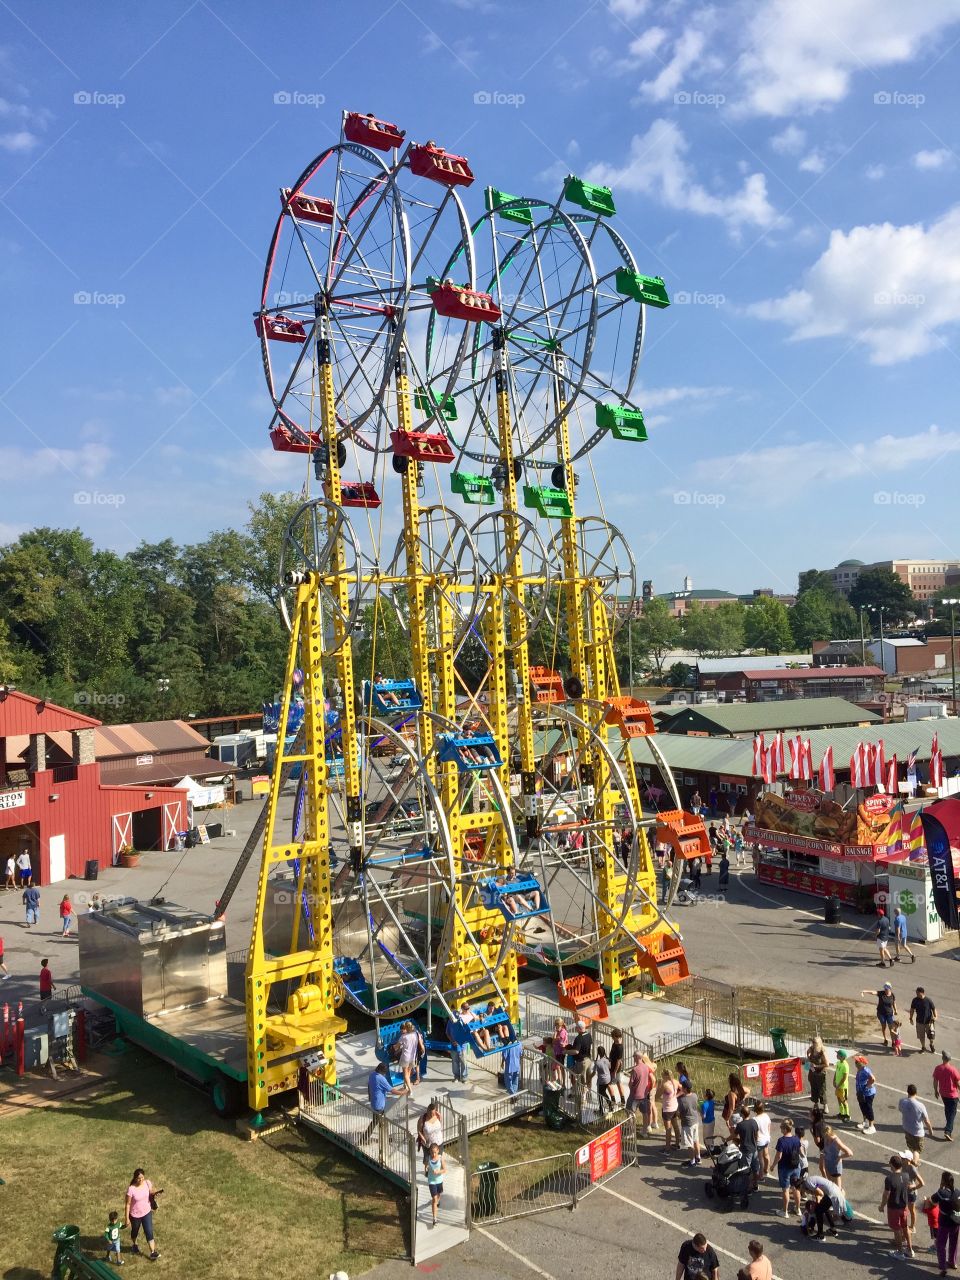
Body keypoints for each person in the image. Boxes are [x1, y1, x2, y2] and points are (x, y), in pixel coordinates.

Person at [880, 1153, 915, 1260]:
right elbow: (910, 1186)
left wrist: (882, 1206)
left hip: (893, 1207)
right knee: (905, 1227)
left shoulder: (889, 1179)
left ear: (891, 1165)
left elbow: (886, 1194)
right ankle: (910, 1250)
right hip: (904, 1206)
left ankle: (900, 1252)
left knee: (896, 1229)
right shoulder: (906, 1176)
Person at [362, 1063, 404, 1147]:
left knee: (380, 1122)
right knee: (378, 1123)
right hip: (379, 1105)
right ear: (382, 1071)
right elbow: (392, 1090)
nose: (385, 1074)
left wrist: (370, 1097)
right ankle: (363, 1139)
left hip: (374, 1102)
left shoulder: (372, 1075)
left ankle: (379, 1138)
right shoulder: (381, 1078)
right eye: (385, 1072)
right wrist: (402, 1092)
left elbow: (369, 1085)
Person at [124, 1168, 160, 1262]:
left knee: (149, 1231)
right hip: (135, 1215)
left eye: (142, 1178)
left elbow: (151, 1191)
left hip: (147, 1212)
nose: (141, 1180)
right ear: (135, 1178)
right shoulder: (131, 1189)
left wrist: (155, 1193)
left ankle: (153, 1252)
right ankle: (135, 1244)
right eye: (139, 1178)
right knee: (135, 1231)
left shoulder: (147, 1183)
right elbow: (127, 1204)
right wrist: (127, 1218)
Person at [931, 1170, 960, 1275]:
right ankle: (953, 1262)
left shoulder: (942, 1192)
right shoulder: (958, 1192)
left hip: (944, 1222)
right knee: (954, 1243)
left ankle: (943, 1267)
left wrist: (940, 1187)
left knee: (941, 1244)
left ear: (943, 1181)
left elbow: (933, 1200)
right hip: (956, 1222)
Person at [772, 1118, 803, 1216]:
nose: (780, 1129)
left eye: (781, 1127)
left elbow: (779, 1156)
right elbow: (801, 1152)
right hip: (796, 1166)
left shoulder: (781, 1141)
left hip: (784, 1168)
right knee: (796, 1188)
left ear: (785, 1129)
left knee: (785, 1190)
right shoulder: (796, 1139)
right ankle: (798, 1209)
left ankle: (784, 1211)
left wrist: (773, 1165)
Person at [800, 1174, 844, 1239]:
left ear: (801, 1186)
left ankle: (820, 1235)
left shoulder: (808, 1183)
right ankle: (833, 1229)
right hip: (835, 1192)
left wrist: (815, 1205)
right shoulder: (810, 1180)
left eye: (802, 1191)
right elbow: (819, 1194)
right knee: (825, 1209)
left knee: (818, 1211)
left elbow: (821, 1193)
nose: (804, 1192)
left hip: (832, 1194)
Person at [899, 1083, 933, 1158]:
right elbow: (926, 1121)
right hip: (917, 1131)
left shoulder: (902, 1101)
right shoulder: (920, 1105)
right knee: (917, 1150)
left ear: (907, 1092)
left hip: (907, 1128)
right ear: (916, 1093)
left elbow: (900, 1109)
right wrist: (930, 1130)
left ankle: (912, 1160)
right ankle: (915, 1163)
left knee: (911, 1147)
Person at [860, 980, 897, 1048]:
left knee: (891, 1028)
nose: (885, 990)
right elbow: (873, 992)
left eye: (887, 988)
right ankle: (885, 1039)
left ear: (890, 988)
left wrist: (895, 1010)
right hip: (881, 1014)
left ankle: (893, 1042)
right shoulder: (881, 993)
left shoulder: (892, 995)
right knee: (884, 1026)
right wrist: (864, 991)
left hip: (889, 1014)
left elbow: (894, 1003)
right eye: (885, 988)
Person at [933, 1050, 960, 1141]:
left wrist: (936, 1091)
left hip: (943, 1094)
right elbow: (957, 1082)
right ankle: (948, 1131)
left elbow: (935, 1081)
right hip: (952, 1095)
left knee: (947, 1109)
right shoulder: (952, 1069)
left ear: (942, 1058)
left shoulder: (938, 1068)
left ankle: (948, 1124)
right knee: (952, 1113)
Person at [819, 1125, 853, 1191]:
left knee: (838, 1189)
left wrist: (840, 1157)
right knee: (830, 1186)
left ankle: (841, 1198)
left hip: (835, 1167)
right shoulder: (826, 1139)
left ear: (830, 1133)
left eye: (826, 1136)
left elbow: (850, 1153)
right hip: (828, 1164)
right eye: (824, 1136)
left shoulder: (836, 1141)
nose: (824, 1137)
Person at [735, 1101, 760, 1188]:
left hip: (746, 1151)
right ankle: (755, 1184)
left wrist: (727, 1139)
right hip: (754, 1149)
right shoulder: (754, 1122)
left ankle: (748, 1187)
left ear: (742, 1114)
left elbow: (734, 1136)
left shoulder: (740, 1125)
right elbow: (757, 1136)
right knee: (755, 1169)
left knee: (746, 1170)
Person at [398, 1021, 424, 1094]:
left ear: (406, 1028)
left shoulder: (403, 1037)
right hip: (413, 1057)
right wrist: (423, 1051)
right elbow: (420, 1043)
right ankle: (405, 1085)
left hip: (405, 1057)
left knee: (405, 1074)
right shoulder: (416, 1034)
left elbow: (397, 1047)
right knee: (408, 1072)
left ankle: (410, 1090)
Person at [679, 1081, 702, 1165]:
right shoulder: (695, 1095)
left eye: (682, 1087)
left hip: (687, 1123)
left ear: (685, 1089)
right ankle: (698, 1157)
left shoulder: (682, 1100)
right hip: (695, 1121)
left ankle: (692, 1161)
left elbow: (680, 1112)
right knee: (696, 1140)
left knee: (689, 1143)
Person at [626, 1051, 651, 1128]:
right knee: (645, 1113)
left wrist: (631, 1091)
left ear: (637, 1057)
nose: (633, 1058)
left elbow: (630, 1083)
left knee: (629, 1111)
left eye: (634, 1056)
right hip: (644, 1095)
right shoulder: (646, 1067)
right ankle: (645, 1130)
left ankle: (631, 1130)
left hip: (635, 1096)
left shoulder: (635, 1069)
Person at [416, 1101, 444, 1170]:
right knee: (427, 1159)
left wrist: (439, 1116)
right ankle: (427, 1171)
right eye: (431, 1113)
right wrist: (423, 1139)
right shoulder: (422, 1119)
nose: (432, 1115)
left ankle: (437, 1170)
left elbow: (440, 1123)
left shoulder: (437, 1115)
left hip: (438, 1142)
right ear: (427, 1111)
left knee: (438, 1158)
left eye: (433, 1113)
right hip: (428, 1144)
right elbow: (419, 1131)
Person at [854, 1054, 877, 1134]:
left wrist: (867, 1086)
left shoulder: (865, 1070)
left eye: (856, 1061)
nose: (855, 1062)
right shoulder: (859, 1070)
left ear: (860, 1063)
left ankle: (872, 1126)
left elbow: (873, 1079)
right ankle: (865, 1121)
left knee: (868, 1108)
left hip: (867, 1093)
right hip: (860, 1092)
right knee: (862, 1107)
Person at [909, 986, 937, 1053]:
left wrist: (936, 1017)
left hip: (929, 1022)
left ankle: (931, 1044)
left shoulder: (928, 1000)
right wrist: (910, 1018)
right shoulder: (915, 1000)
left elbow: (934, 1009)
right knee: (921, 1036)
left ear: (922, 993)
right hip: (919, 1022)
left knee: (931, 1036)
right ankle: (923, 1047)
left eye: (917, 993)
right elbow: (912, 1009)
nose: (916, 994)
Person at [659, 1068, 681, 1152]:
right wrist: (676, 1095)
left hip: (667, 1109)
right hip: (675, 1107)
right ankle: (677, 1144)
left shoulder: (664, 1085)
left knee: (668, 1129)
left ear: (665, 1075)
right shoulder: (675, 1081)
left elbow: (657, 1096)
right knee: (675, 1126)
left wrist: (659, 1085)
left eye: (662, 1074)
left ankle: (667, 1149)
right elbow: (682, 1089)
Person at [425, 1143, 445, 1228]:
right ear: (429, 1152)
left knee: (439, 1194)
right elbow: (426, 1167)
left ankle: (437, 1202)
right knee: (434, 1199)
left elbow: (444, 1169)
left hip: (439, 1181)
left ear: (438, 1151)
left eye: (435, 1152)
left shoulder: (440, 1158)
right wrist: (426, 1169)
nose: (433, 1154)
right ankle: (434, 1219)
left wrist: (438, 1172)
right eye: (432, 1152)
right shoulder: (428, 1158)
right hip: (431, 1181)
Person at [445, 1009, 468, 1083]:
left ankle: (464, 1077)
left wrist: (460, 1041)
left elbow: (466, 1032)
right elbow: (447, 1032)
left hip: (462, 1046)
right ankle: (456, 1077)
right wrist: (452, 1041)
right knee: (455, 1062)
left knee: (463, 1061)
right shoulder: (450, 1022)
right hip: (453, 1046)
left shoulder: (461, 1021)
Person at [806, 1036, 828, 1108]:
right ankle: (815, 1103)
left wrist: (816, 1066)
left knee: (821, 1089)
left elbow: (826, 1064)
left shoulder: (822, 1052)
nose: (813, 1043)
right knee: (813, 1088)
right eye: (813, 1042)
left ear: (818, 1043)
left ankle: (825, 1105)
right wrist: (808, 1057)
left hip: (820, 1072)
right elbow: (808, 1053)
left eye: (815, 1042)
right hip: (813, 1072)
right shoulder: (811, 1048)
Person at [722, 1072, 746, 1136]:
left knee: (734, 1136)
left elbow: (731, 1108)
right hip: (741, 1114)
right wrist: (742, 1099)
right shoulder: (741, 1088)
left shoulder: (732, 1093)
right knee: (741, 1134)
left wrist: (727, 1119)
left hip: (734, 1116)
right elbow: (748, 1091)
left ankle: (736, 1145)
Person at [754, 1099, 771, 1178]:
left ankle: (761, 1175)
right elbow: (769, 1127)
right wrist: (768, 1136)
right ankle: (766, 1169)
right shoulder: (766, 1116)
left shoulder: (755, 1119)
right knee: (766, 1155)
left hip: (759, 1141)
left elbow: (755, 1132)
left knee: (760, 1158)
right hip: (766, 1138)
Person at [594, 1046, 614, 1114]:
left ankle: (601, 1110)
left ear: (598, 1053)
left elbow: (594, 1072)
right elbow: (610, 1067)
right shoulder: (607, 1060)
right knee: (604, 1093)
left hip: (601, 1081)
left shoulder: (597, 1062)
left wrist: (588, 1079)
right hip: (608, 1079)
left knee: (599, 1095)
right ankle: (610, 1106)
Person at [608, 1028, 626, 1105]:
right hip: (613, 1065)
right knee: (619, 1082)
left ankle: (613, 1101)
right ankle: (623, 1101)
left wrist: (614, 1072)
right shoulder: (615, 1042)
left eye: (613, 1036)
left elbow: (618, 1061)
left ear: (616, 1036)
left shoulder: (619, 1047)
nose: (612, 1037)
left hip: (614, 1068)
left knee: (608, 1084)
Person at [833, 1048, 851, 1120]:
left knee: (844, 1101)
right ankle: (841, 1113)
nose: (837, 1055)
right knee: (838, 1099)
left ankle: (847, 1115)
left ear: (842, 1057)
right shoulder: (838, 1063)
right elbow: (836, 1072)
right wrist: (834, 1080)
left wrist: (839, 1085)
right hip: (838, 1086)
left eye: (838, 1054)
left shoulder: (845, 1065)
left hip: (843, 1087)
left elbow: (844, 1077)